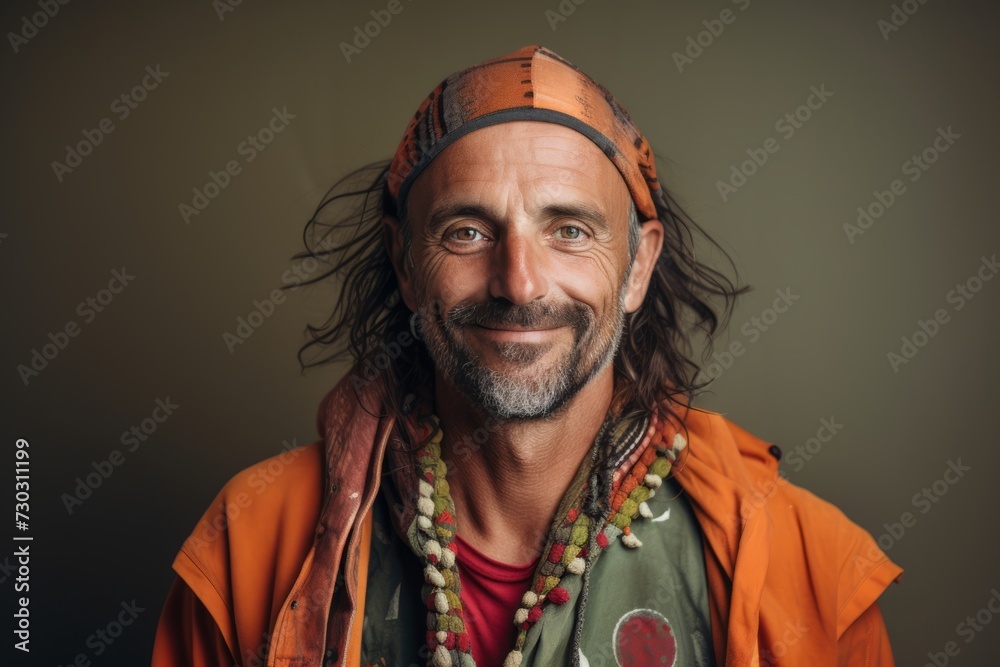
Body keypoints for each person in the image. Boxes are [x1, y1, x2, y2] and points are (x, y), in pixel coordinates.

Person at [151, 45, 902, 667]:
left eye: (569, 229)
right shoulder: (249, 545)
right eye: (467, 232)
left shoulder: (805, 568)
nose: (519, 283)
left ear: (638, 266)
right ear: (407, 265)